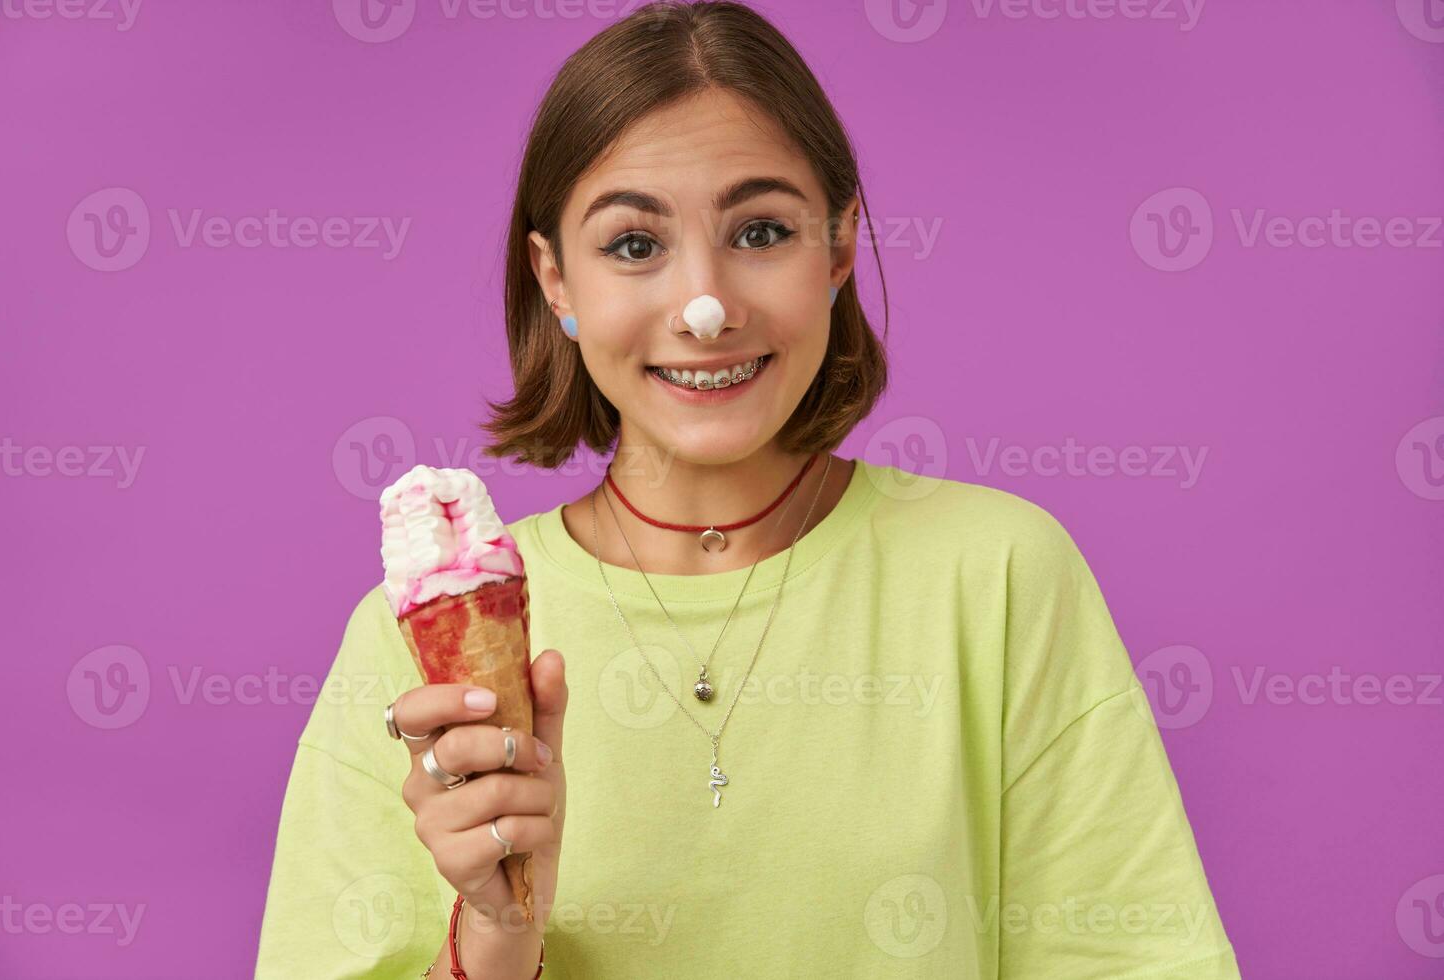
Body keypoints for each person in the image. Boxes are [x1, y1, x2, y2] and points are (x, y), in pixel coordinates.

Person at [255, 2, 1241, 977]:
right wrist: (496, 941)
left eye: (761, 230)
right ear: (555, 278)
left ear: (840, 248)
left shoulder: (999, 575)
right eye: (634, 245)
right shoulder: (407, 645)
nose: (707, 305)